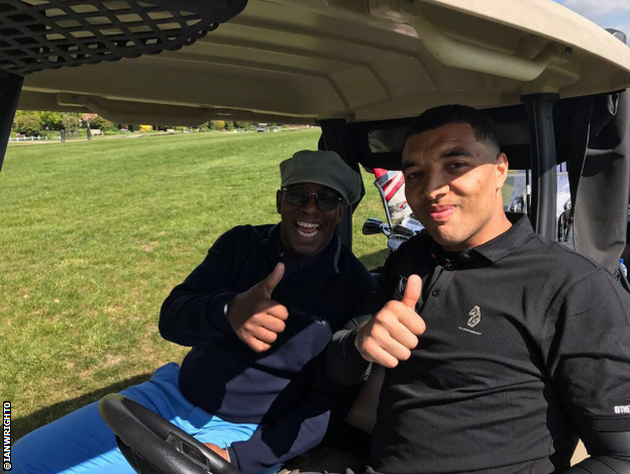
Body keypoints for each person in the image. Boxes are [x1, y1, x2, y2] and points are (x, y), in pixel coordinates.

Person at [14, 150, 375, 474]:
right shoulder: (240, 244)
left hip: (250, 431)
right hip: (171, 395)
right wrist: (227, 310)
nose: (310, 208)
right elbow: (172, 319)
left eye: (326, 199)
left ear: (341, 210)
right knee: (19, 459)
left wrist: (242, 457)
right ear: (279, 201)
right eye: (298, 195)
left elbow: (328, 402)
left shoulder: (356, 287)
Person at [327, 105, 630, 474]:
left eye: (455, 165)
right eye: (415, 173)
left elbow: (622, 456)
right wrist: (361, 343)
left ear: (500, 169)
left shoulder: (572, 286)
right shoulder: (411, 258)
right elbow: (337, 366)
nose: (432, 189)